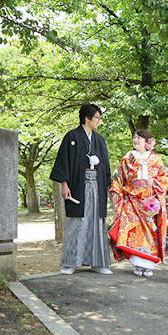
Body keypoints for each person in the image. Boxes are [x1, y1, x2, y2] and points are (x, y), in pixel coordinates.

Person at [50, 103, 113, 275]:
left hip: (97, 186)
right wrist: (64, 184)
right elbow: (63, 162)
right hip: (78, 185)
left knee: (97, 222)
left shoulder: (99, 140)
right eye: (97, 117)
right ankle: (70, 262)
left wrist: (108, 186)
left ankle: (98, 262)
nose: (99, 121)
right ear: (87, 118)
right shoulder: (71, 136)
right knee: (77, 222)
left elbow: (105, 165)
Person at [109, 129, 168, 277]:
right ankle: (137, 264)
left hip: (148, 203)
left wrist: (153, 183)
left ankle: (148, 265)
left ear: (147, 142)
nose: (136, 140)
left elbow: (163, 178)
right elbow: (118, 178)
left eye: (139, 138)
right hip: (131, 201)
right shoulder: (127, 158)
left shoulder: (156, 159)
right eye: (134, 137)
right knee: (131, 231)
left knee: (149, 233)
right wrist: (117, 194)